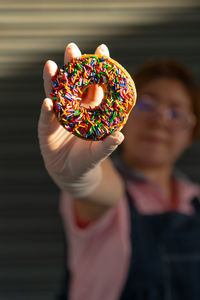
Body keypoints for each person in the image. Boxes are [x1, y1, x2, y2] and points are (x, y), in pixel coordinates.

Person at [38, 42, 200, 300]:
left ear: (191, 134)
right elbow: (98, 189)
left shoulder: (195, 198)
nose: (159, 119)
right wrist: (77, 177)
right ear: (124, 113)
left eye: (176, 113)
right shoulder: (112, 189)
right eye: (147, 105)